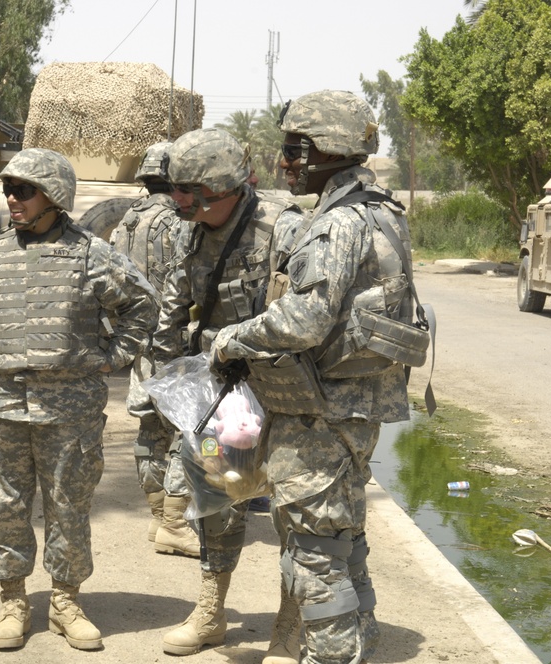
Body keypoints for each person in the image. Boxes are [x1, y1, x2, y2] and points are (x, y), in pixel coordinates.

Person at [210, 90, 420, 664]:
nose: (285, 162)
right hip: (355, 407)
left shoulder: (337, 225)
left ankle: (332, 655)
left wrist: (230, 340)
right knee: (343, 536)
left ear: (331, 151)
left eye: (297, 149)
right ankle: (361, 642)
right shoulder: (384, 213)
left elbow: (303, 319)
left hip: (319, 412)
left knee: (313, 554)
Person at [0, 148, 157, 652]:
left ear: (53, 197)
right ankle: (13, 600)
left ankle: (65, 602)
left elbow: (143, 305)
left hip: (70, 411)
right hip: (1, 408)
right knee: (5, 507)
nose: (12, 198)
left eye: (23, 190)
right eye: (8, 189)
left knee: (68, 508)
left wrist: (115, 356)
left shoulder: (91, 254)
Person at [152, 128, 304, 656]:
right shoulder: (189, 229)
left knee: (292, 513)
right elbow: (175, 302)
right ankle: (211, 612)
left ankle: (290, 624)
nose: (176, 200)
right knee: (217, 505)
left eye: (186, 190)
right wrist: (171, 376)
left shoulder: (284, 231)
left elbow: (304, 317)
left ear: (219, 188)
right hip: (222, 398)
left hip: (285, 397)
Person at [108, 141, 200, 557]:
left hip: (139, 344)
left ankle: (159, 516)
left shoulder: (124, 222)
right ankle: (175, 523)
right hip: (177, 343)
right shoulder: (180, 221)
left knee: (149, 430)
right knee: (188, 430)